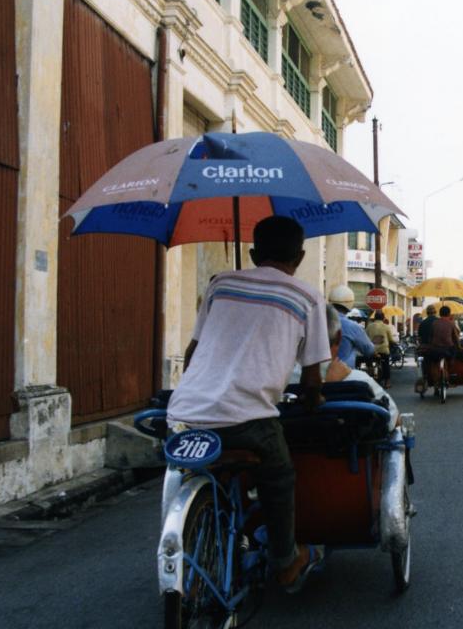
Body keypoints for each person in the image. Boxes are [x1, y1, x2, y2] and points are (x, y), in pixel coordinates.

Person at [167, 216, 328, 592]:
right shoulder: (307, 297)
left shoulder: (220, 284)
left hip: (186, 412)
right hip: (249, 419)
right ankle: (285, 562)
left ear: (253, 254)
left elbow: (192, 354)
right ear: (301, 256)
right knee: (279, 473)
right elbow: (311, 377)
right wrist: (312, 398)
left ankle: (202, 524)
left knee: (199, 469)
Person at [293, 305, 399, 430]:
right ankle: (387, 380)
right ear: (339, 337)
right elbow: (395, 420)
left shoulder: (280, 382)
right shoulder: (359, 380)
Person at [328, 285, 375, 369]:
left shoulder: (317, 322)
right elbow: (369, 350)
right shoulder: (353, 326)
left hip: (317, 375)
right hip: (344, 375)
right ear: (350, 303)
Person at [366, 310, 398, 388]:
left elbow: (365, 338)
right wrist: (395, 343)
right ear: (383, 318)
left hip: (372, 350)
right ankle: (387, 382)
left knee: (369, 362)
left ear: (374, 318)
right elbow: (390, 339)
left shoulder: (369, 327)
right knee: (386, 364)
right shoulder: (386, 327)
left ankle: (369, 374)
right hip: (383, 350)